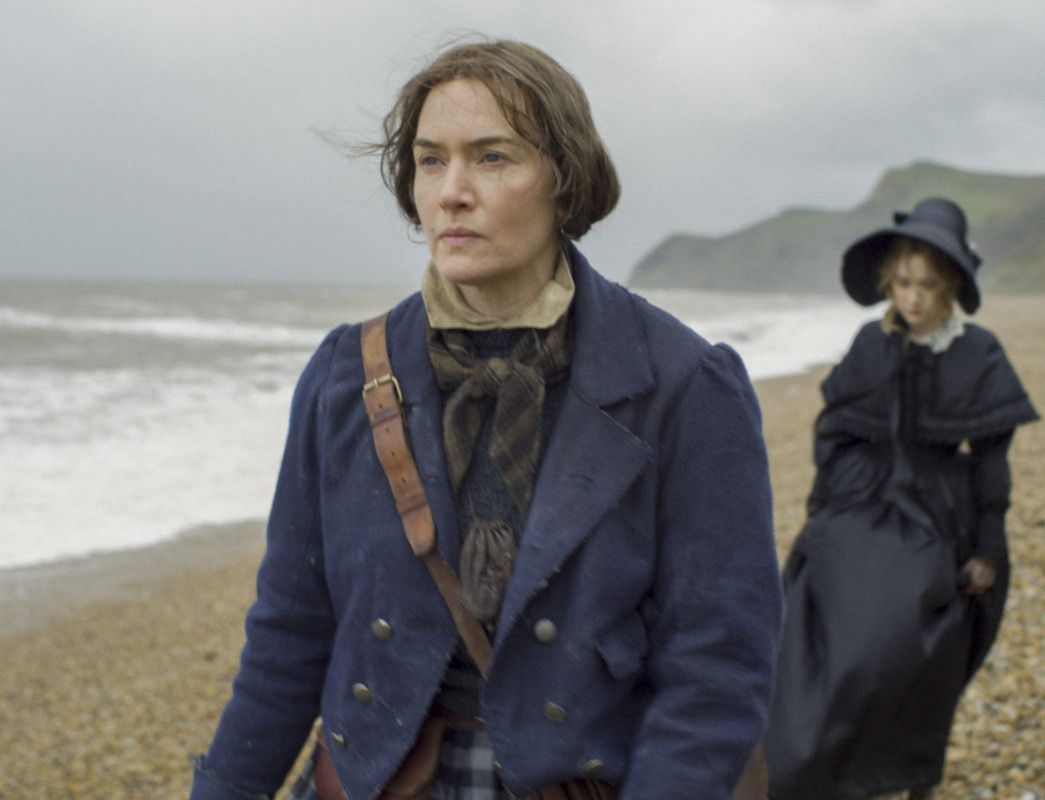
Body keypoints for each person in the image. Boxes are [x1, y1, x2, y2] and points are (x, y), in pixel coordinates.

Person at [190, 38, 782, 800]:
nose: (451, 192)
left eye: (492, 157)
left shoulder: (684, 385)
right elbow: (289, 633)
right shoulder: (345, 374)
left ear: (564, 181)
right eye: (430, 160)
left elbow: (716, 667)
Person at [763, 198, 1039, 800]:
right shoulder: (872, 340)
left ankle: (894, 767)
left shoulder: (977, 352)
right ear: (889, 282)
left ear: (952, 287)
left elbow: (991, 461)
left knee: (899, 630)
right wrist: (823, 506)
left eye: (928, 286)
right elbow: (835, 429)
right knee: (808, 611)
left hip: (935, 510)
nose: (913, 299)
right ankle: (805, 767)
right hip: (860, 498)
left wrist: (988, 546)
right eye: (904, 284)